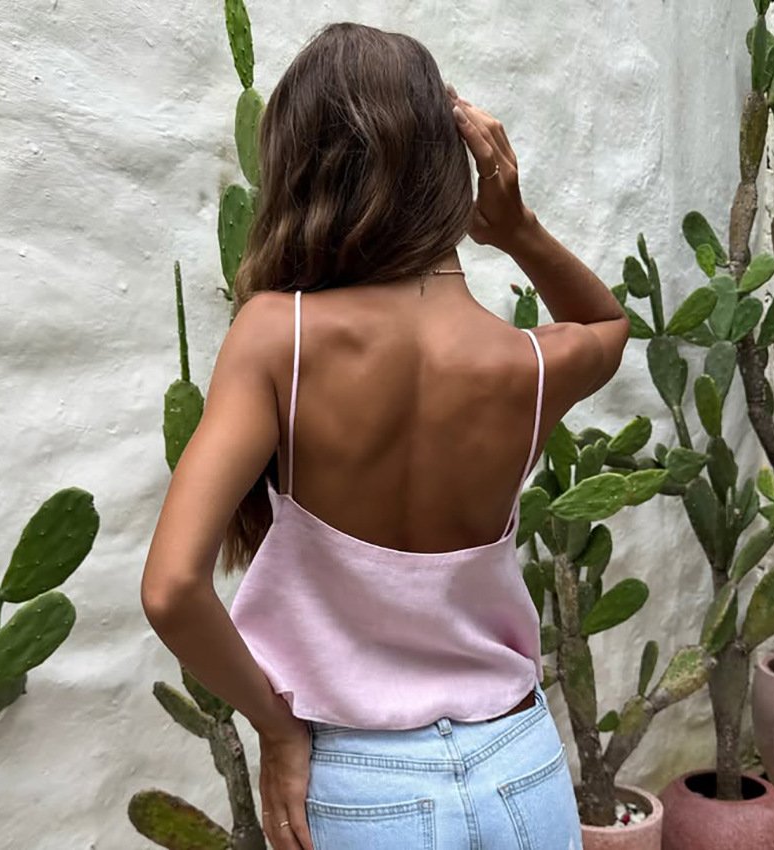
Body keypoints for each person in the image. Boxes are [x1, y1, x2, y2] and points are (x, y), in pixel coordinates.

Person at [141, 20, 629, 850]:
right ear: (450, 170)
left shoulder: (281, 337)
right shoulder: (528, 364)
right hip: (523, 769)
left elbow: (171, 588)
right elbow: (608, 324)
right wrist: (514, 226)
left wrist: (277, 729)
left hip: (364, 790)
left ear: (301, 172)